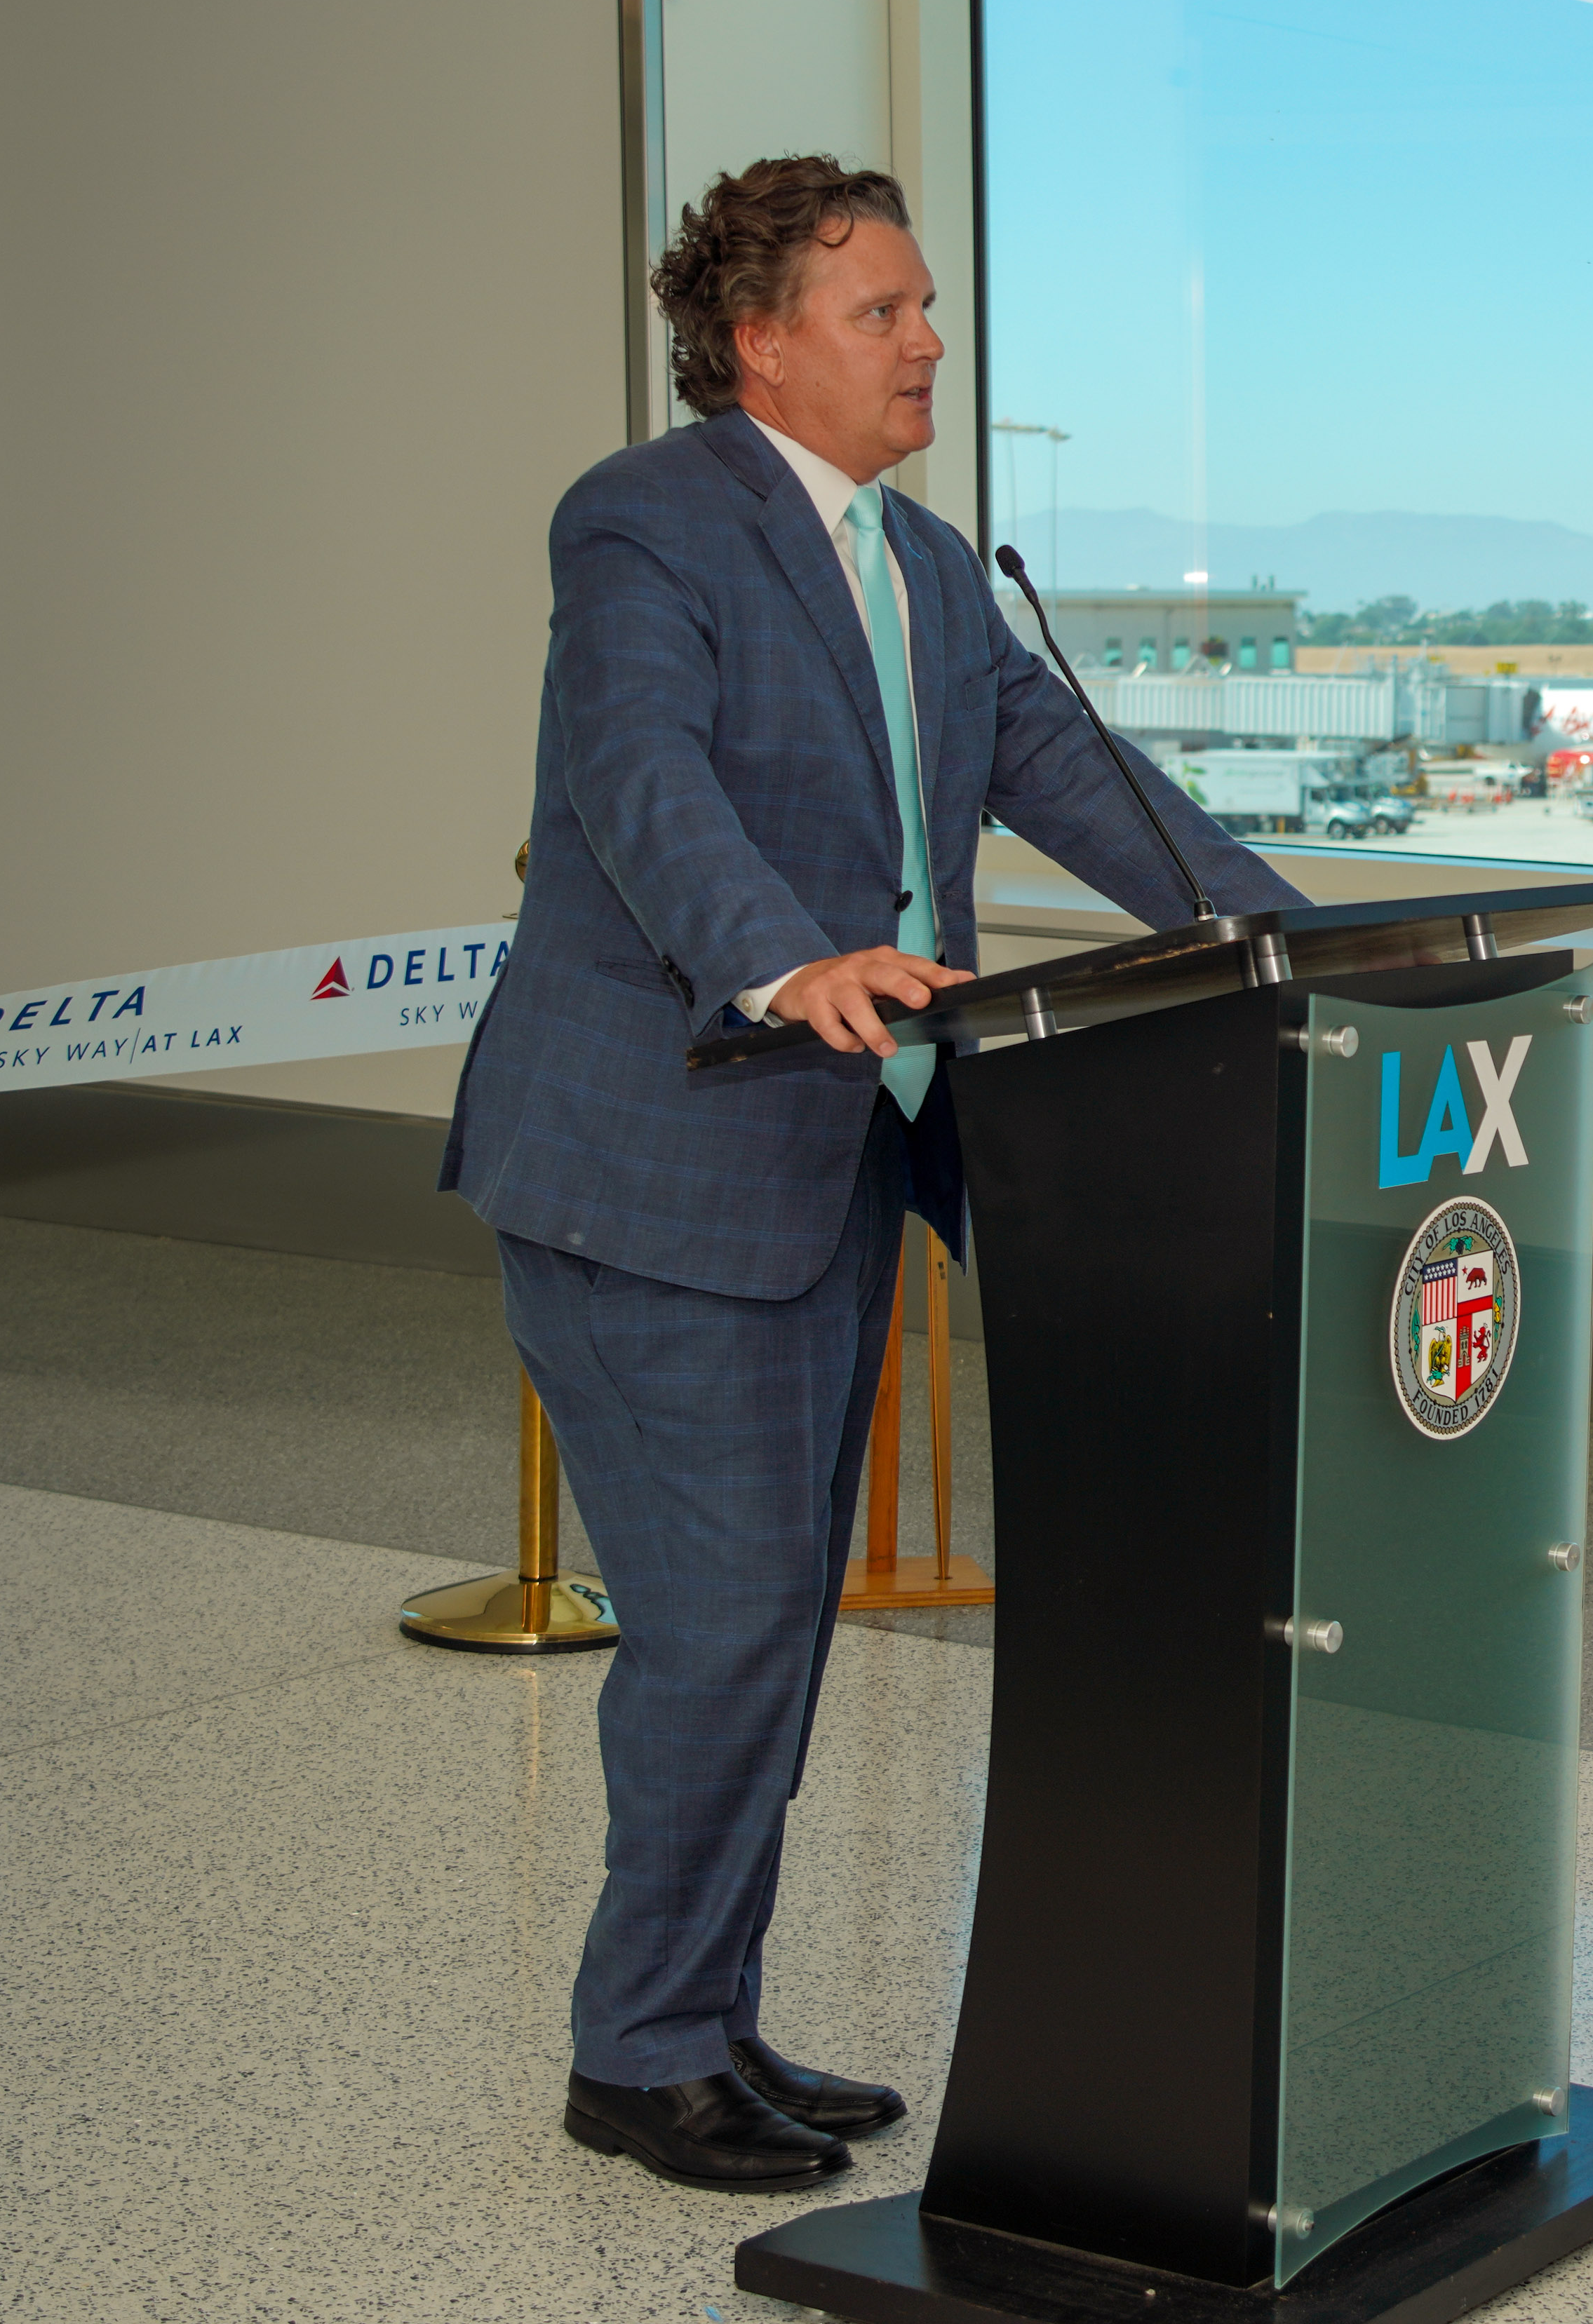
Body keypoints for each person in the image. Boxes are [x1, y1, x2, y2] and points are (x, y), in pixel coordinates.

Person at [441, 158, 1302, 2192]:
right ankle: (639, 2048)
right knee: (730, 1625)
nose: (929, 341)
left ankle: (706, 2024)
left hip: (835, 1160)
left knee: (768, 1618)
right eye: (884, 312)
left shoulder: (920, 570)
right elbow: (640, 778)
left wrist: (1295, 945)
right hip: (658, 1164)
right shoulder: (649, 519)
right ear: (758, 345)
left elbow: (1093, 785)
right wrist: (783, 956)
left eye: (925, 309)